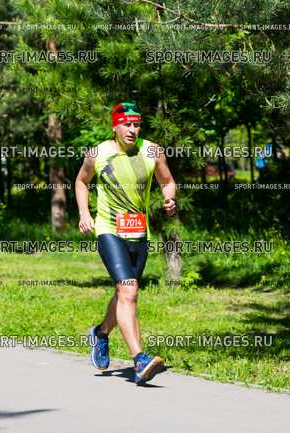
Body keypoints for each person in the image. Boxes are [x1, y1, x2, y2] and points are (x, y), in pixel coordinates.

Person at [75, 102, 177, 385]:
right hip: (109, 230)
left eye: (136, 124)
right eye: (126, 124)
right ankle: (140, 359)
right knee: (128, 290)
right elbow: (81, 182)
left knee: (125, 293)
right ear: (115, 127)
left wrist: (169, 197)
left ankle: (100, 333)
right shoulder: (97, 153)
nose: (132, 130)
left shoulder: (153, 151)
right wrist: (84, 213)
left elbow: (168, 181)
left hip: (139, 232)